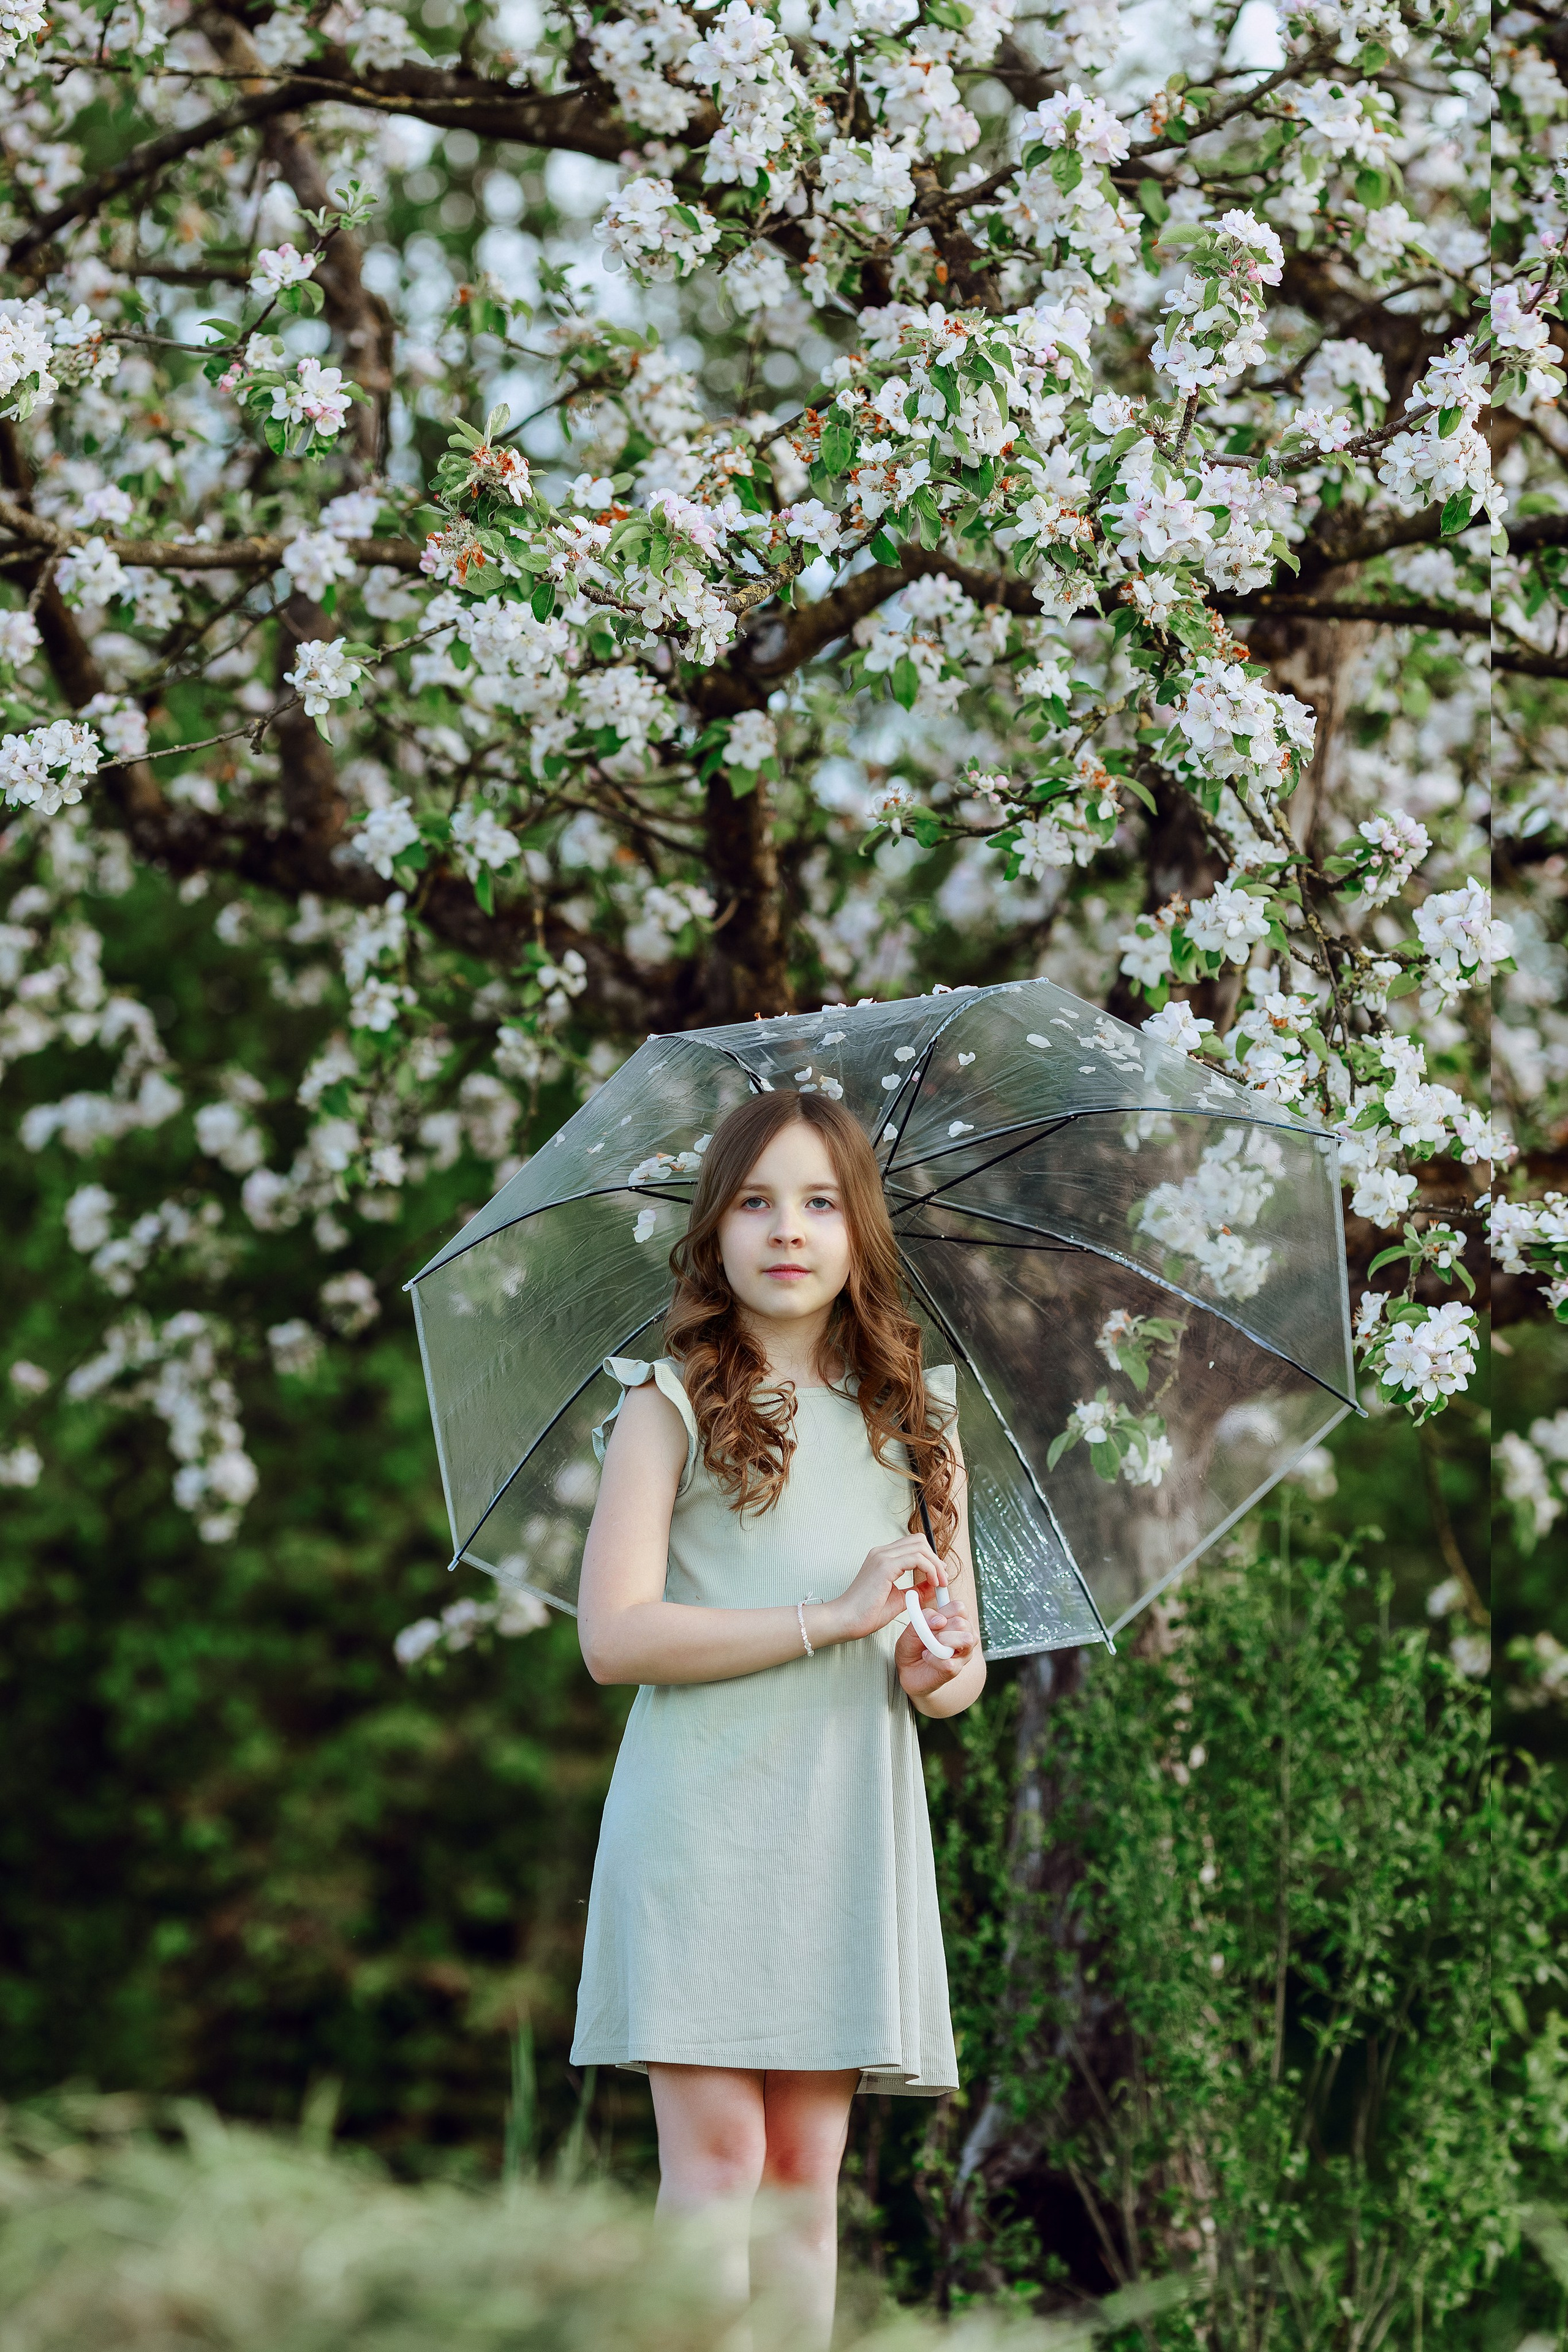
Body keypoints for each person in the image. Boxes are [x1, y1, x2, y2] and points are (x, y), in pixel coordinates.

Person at [570, 1087, 987, 2348]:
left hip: (841, 1824)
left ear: (858, 1231)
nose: (786, 1230)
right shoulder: (663, 1403)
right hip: (701, 1818)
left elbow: (956, 1669)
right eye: (755, 1202)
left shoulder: (920, 1422)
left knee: (808, 2183)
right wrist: (832, 1617)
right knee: (717, 2170)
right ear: (716, 1230)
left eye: (816, 1203)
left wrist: (930, 1665)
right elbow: (613, 1637)